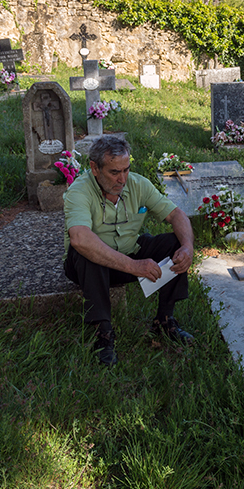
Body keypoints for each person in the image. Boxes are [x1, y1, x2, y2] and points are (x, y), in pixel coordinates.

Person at [63, 135, 195, 365]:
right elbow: (80, 238)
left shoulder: (137, 184)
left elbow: (176, 214)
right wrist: (133, 266)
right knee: (87, 251)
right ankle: (103, 334)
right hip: (89, 266)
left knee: (174, 243)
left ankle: (165, 319)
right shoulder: (79, 191)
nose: (122, 179)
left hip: (128, 252)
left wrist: (187, 247)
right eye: (114, 172)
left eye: (126, 170)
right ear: (94, 168)